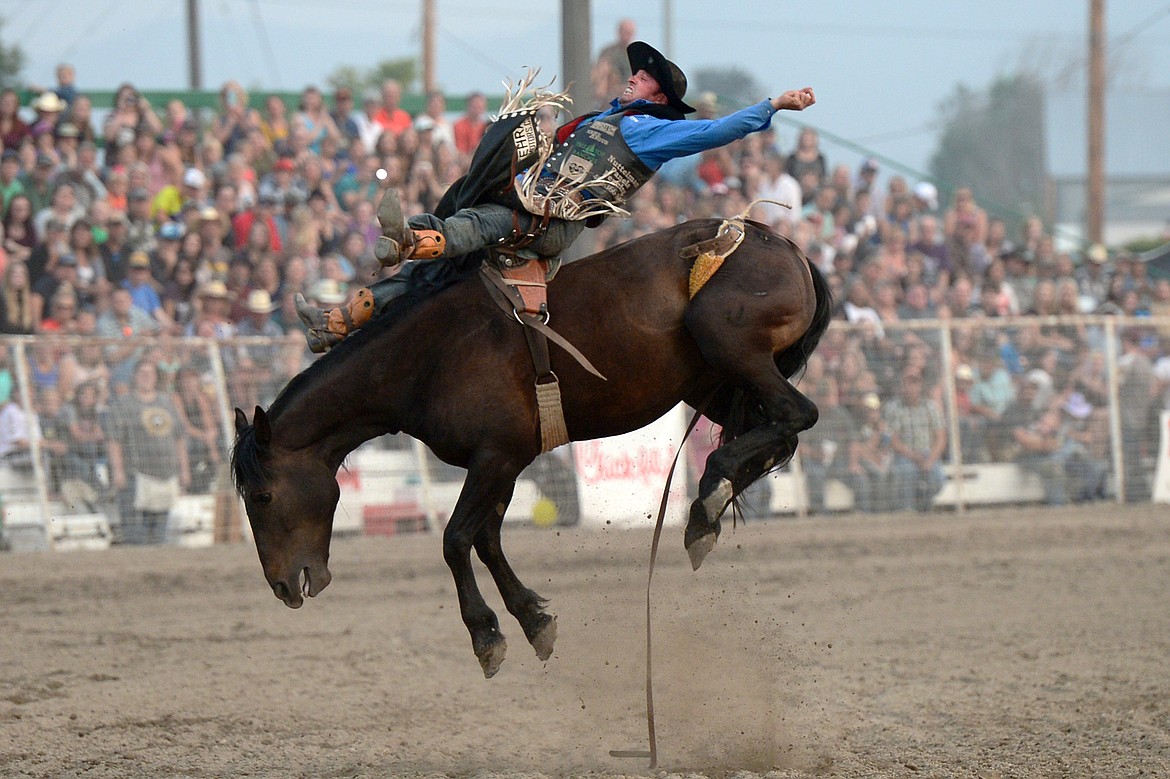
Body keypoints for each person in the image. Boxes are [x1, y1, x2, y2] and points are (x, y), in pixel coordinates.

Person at [296, 41, 817, 352]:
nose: (630, 79)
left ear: (657, 96)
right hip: (534, 199)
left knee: (486, 221)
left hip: (552, 220)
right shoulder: (603, 119)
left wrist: (770, 105)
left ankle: (412, 237)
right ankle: (335, 324)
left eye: (639, 78)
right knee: (430, 273)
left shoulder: (650, 132)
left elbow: (712, 132)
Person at [106, 359, 189, 544]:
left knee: (159, 534)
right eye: (142, 373)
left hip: (166, 475)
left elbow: (179, 438)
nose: (146, 377)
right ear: (135, 377)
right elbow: (114, 440)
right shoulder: (123, 404)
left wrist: (184, 470)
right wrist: (118, 471)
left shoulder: (166, 403)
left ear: (155, 378)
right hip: (136, 475)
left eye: (149, 374)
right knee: (135, 535)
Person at [885, 369, 947, 512]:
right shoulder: (894, 408)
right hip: (904, 454)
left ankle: (924, 504)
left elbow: (940, 437)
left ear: (920, 385)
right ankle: (907, 509)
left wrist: (930, 459)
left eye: (915, 383)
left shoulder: (931, 407)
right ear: (902, 386)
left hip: (927, 453)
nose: (911, 388)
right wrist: (912, 455)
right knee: (905, 472)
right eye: (908, 383)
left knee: (937, 478)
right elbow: (892, 439)